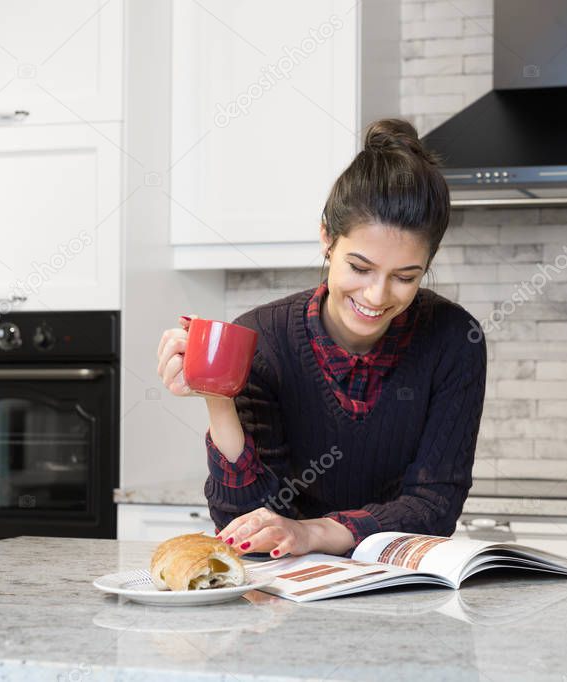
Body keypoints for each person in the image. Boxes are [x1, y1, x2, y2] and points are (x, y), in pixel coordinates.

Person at [155, 119, 487, 559]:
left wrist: (312, 532)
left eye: (405, 277)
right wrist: (218, 395)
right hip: (284, 595)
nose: (377, 295)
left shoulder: (453, 339)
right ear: (327, 239)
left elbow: (434, 508)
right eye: (360, 268)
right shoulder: (264, 341)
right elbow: (247, 526)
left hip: (401, 592)